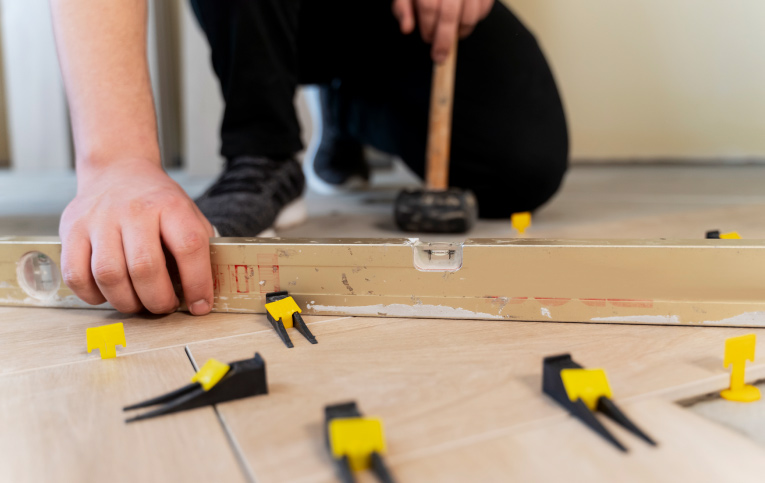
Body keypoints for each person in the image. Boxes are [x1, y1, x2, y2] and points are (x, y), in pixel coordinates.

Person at [50, 0, 568, 316]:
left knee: (521, 166)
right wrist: (117, 160)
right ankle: (262, 149)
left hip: (391, 12)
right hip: (261, 16)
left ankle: (346, 106)